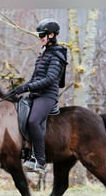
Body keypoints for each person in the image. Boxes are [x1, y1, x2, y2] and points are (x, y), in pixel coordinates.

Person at [8, 18, 68, 174]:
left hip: (47, 96)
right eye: (39, 35)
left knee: (34, 121)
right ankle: (25, 152)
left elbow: (49, 80)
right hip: (35, 94)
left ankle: (40, 161)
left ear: (52, 35)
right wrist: (19, 89)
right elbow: (35, 79)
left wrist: (27, 87)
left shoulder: (57, 55)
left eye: (43, 34)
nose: (40, 37)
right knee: (15, 111)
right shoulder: (43, 53)